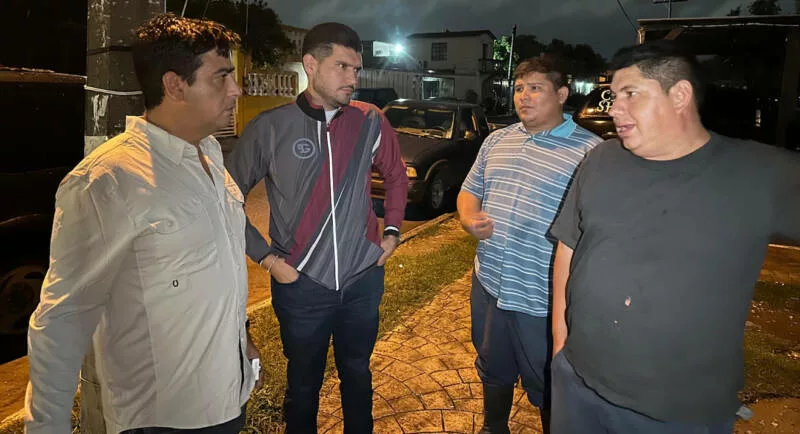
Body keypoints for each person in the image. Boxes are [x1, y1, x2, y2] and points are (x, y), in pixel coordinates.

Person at [549, 41, 800, 434]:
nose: (614, 108)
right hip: (577, 386)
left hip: (678, 414)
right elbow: (568, 247)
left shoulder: (759, 173)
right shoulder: (601, 159)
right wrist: (560, 348)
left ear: (680, 95)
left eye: (630, 94)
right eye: (614, 96)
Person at [25, 14, 259, 434]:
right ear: (175, 85)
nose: (236, 90)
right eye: (222, 77)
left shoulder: (208, 154)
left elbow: (215, 270)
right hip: (161, 419)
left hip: (226, 395)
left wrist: (242, 339)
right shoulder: (107, 180)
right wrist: (46, 427)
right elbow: (63, 318)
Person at [226, 22, 408, 433]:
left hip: (362, 280)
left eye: (356, 69)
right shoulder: (271, 127)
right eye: (342, 66)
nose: (353, 78)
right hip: (301, 286)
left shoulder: (370, 120)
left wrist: (392, 233)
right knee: (304, 384)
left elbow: (396, 176)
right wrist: (269, 260)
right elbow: (227, 199)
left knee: (357, 373)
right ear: (311, 64)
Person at [457, 57, 601, 433]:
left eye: (535, 88)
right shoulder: (497, 140)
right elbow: (469, 191)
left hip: (544, 297)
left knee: (551, 381)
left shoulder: (592, 153)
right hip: (490, 284)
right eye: (519, 88)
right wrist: (469, 218)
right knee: (493, 366)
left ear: (562, 94)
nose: (523, 96)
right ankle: (494, 428)